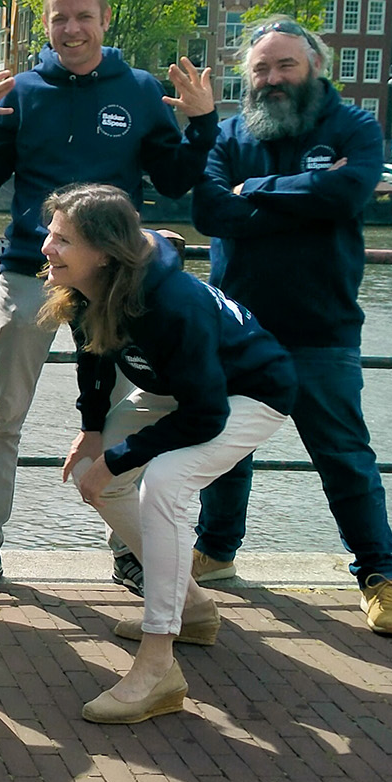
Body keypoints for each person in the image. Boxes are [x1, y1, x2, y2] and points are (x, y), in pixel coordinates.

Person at [0, 0, 218, 596]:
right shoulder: (23, 92)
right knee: (3, 415)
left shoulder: (138, 90)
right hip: (32, 271)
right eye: (59, 18)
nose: (71, 30)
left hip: (115, 283)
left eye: (83, 16)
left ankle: (127, 545)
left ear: (103, 20)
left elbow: (177, 180)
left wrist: (204, 122)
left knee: (137, 411)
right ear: (46, 26)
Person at [183, 15, 392, 636]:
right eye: (261, 69)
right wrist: (305, 192)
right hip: (241, 327)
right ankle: (218, 551)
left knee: (343, 455)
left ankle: (379, 577)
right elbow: (207, 209)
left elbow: (348, 194)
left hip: (323, 327)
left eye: (285, 65)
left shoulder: (355, 126)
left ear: (314, 66)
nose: (273, 78)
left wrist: (253, 190)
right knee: (224, 451)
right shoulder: (231, 133)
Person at [44, 184, 294, 723]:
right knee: (95, 474)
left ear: (105, 252)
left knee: (164, 484)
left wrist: (122, 455)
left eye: (62, 239)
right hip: (178, 388)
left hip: (247, 392)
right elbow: (92, 355)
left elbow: (206, 415)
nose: (47, 247)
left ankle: (158, 665)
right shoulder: (86, 285)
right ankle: (195, 608)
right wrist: (93, 434)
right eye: (51, 233)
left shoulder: (171, 304)